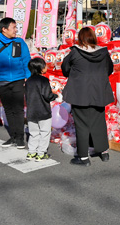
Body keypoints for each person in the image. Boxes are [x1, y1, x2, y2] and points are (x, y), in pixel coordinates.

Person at [62, 27, 114, 167]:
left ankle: (84, 158)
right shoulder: (103, 52)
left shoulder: (75, 53)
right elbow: (109, 69)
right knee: (99, 122)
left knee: (82, 125)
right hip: (99, 92)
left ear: (80, 38)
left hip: (80, 94)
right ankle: (103, 152)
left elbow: (65, 69)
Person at [0, 17, 31, 149]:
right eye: (14, 27)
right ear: (4, 29)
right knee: (8, 110)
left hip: (18, 80)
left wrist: (28, 77)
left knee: (18, 109)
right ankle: (13, 137)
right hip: (2, 82)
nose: (16, 30)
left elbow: (27, 60)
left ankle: (20, 138)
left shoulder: (20, 42)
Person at [24, 57, 57, 161]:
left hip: (31, 112)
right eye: (45, 65)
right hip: (43, 111)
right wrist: (55, 96)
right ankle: (41, 153)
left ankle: (31, 152)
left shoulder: (28, 81)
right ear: (41, 68)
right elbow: (47, 95)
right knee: (45, 132)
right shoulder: (44, 80)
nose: (46, 67)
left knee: (33, 133)